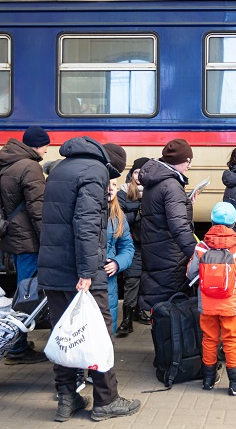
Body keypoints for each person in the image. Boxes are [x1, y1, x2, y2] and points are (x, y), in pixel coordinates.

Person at [37, 136, 140, 422]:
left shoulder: (60, 168)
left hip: (53, 268)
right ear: (112, 167)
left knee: (65, 332)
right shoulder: (95, 172)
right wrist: (85, 273)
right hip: (81, 270)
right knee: (99, 333)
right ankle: (106, 400)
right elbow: (86, 225)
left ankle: (67, 399)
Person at [186, 202, 236, 396]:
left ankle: (208, 380)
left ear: (212, 221)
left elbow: (190, 273)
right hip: (231, 302)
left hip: (206, 302)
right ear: (234, 223)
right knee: (231, 340)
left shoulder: (201, 246)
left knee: (208, 338)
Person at [0, 126, 50, 365]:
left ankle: (18, 343)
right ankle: (17, 346)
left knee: (22, 289)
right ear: (38, 145)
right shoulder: (30, 166)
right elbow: (37, 208)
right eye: (46, 145)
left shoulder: (8, 162)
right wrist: (47, 239)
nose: (48, 150)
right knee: (26, 293)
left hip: (14, 235)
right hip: (28, 239)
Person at [138, 138, 197, 311]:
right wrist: (197, 254)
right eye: (188, 161)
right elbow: (179, 227)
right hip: (171, 257)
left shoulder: (155, 182)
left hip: (156, 252)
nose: (189, 166)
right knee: (174, 309)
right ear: (180, 160)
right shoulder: (171, 185)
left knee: (161, 307)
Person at [116, 157, 150, 335]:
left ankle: (138, 311)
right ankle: (127, 319)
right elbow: (120, 220)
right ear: (131, 174)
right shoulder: (122, 194)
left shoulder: (154, 192)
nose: (139, 176)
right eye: (136, 172)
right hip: (132, 244)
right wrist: (137, 213)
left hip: (150, 244)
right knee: (132, 280)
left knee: (145, 280)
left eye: (143, 172)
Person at [103, 143, 134, 335]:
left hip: (109, 280)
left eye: (114, 184)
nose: (111, 188)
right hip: (89, 279)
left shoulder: (118, 215)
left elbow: (127, 247)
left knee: (107, 325)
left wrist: (117, 262)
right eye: (108, 184)